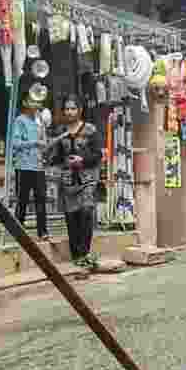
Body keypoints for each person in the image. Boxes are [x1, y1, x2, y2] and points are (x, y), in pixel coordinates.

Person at [49, 95, 104, 269]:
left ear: (79, 110)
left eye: (73, 108)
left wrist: (82, 159)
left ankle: (85, 253)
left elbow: (97, 155)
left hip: (87, 179)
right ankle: (76, 256)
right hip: (68, 182)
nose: (70, 111)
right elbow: (56, 157)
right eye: (67, 108)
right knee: (71, 219)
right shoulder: (60, 132)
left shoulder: (90, 130)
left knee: (86, 213)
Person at [12, 96, 50, 241]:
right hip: (23, 166)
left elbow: (44, 143)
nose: (36, 104)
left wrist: (44, 144)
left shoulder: (40, 121)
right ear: (25, 102)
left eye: (38, 102)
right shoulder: (19, 120)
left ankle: (43, 231)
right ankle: (18, 230)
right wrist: (35, 142)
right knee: (22, 199)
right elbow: (16, 143)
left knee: (41, 198)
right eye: (32, 101)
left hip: (39, 166)